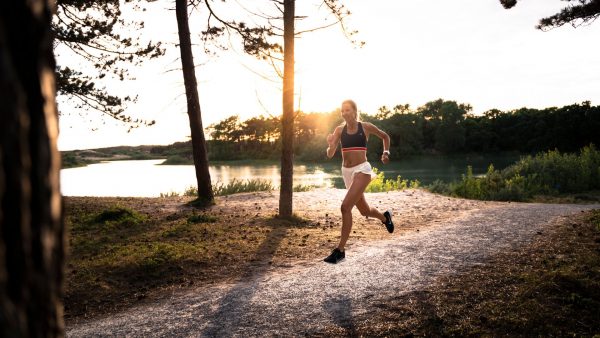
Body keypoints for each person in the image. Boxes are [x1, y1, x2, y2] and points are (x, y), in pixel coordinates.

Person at [323, 99, 394, 264]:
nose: (344, 113)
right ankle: (385, 217)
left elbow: (385, 136)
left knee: (345, 207)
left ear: (354, 111)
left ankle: (340, 251)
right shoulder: (339, 130)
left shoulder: (365, 127)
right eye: (342, 111)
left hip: (362, 170)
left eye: (347, 110)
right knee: (365, 211)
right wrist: (331, 145)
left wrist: (386, 152)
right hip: (347, 173)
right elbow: (329, 154)